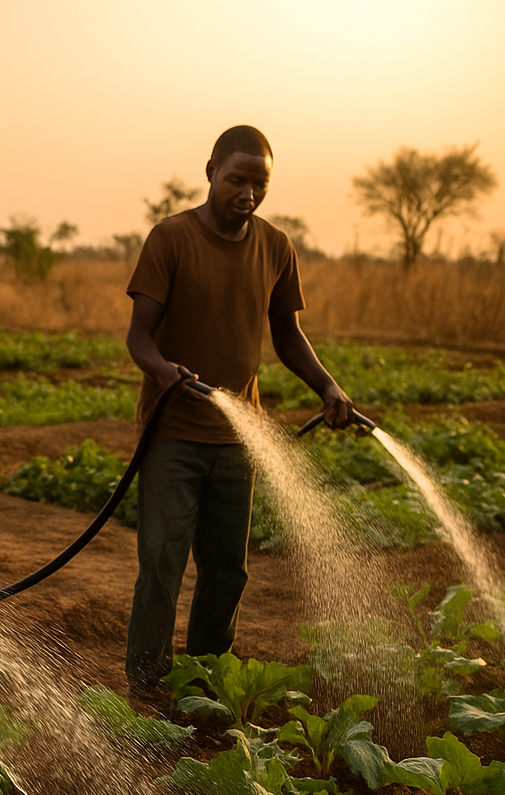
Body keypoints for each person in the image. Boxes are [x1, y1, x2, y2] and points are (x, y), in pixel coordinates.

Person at [122, 125, 355, 697]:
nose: (247, 192)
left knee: (228, 571)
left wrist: (327, 386)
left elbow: (288, 334)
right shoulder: (171, 239)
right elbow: (139, 336)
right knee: (161, 566)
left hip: (238, 439)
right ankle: (146, 686)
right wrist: (161, 370)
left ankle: (204, 680)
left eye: (260, 183)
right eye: (236, 179)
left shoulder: (276, 247)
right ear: (210, 173)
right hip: (172, 433)